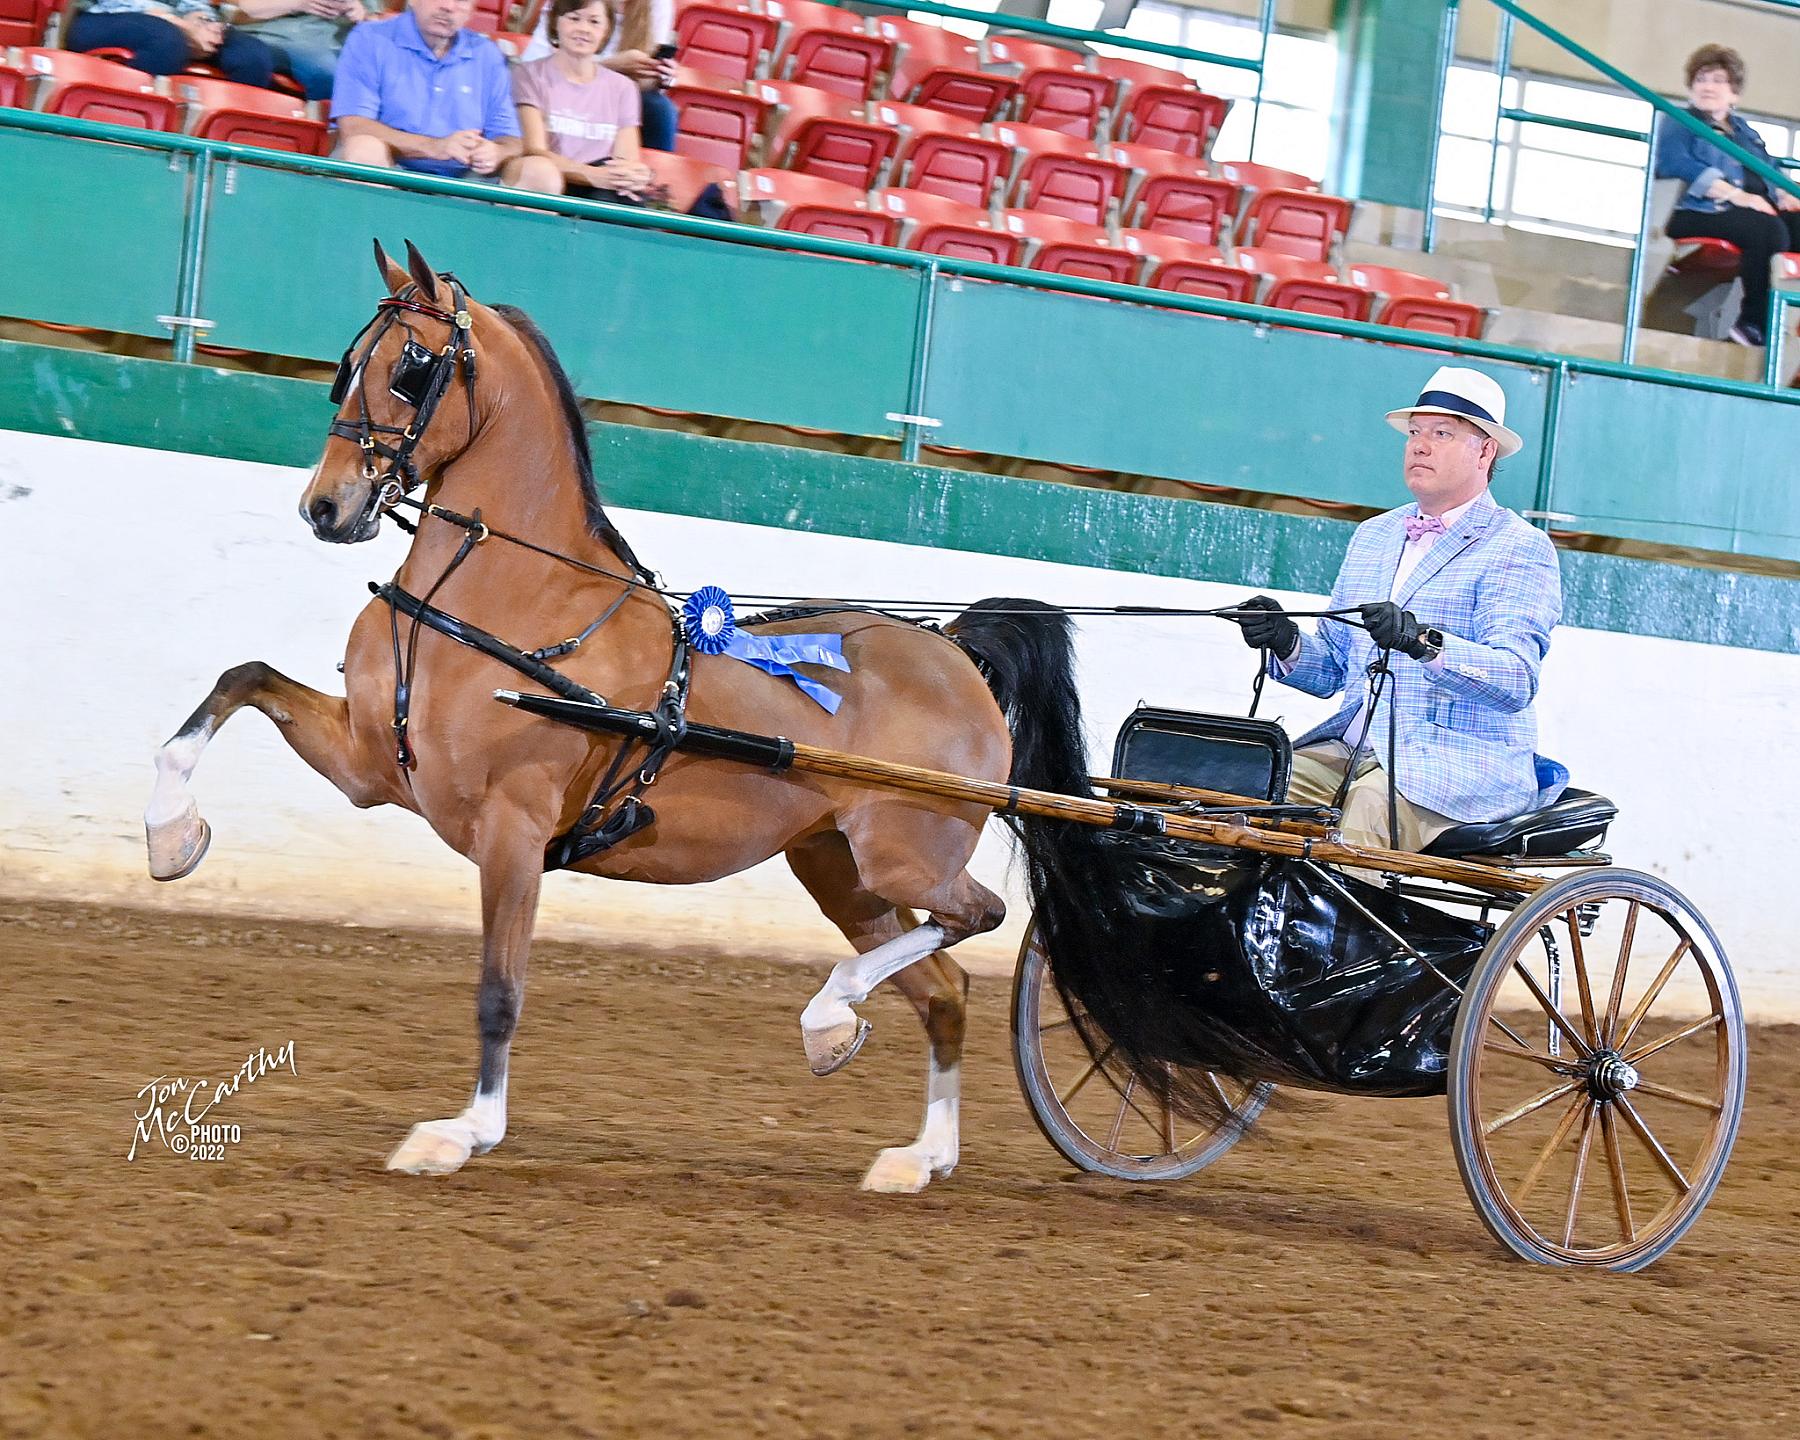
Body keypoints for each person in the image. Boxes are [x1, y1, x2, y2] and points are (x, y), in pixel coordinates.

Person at [1229, 365, 1565, 855]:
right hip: (1350, 748)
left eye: (1442, 434)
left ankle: (1343, 934)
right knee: (1240, 789)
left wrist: (1422, 644)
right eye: (1414, 433)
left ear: (1485, 450)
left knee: (1366, 809)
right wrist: (1285, 641)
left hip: (1452, 764)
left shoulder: (1518, 547)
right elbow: (1333, 671)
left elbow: (1515, 680)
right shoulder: (1374, 536)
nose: (1419, 446)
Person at [1654, 43, 1800, 348]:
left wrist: (1785, 194)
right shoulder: (1679, 120)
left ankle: (1790, 323)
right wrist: (1736, 195)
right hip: (1696, 212)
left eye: (1718, 80)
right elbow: (1673, 161)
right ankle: (1754, 323)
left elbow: (1767, 169)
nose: (1707, 86)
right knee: (1767, 229)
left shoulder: (1744, 132)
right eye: (1701, 79)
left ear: (1734, 93)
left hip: (1745, 213)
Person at [331, 0, 523, 181]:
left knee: (537, 170)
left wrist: (497, 152)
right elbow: (354, 127)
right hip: (390, 168)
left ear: (472, 10)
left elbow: (511, 140)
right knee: (363, 148)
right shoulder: (369, 38)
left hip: (465, 180)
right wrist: (435, 147)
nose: (448, 6)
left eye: (462, 0)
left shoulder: (487, 54)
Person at [503, 0, 652, 199]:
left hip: (601, 189)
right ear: (555, 22)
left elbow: (626, 160)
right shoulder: (530, 75)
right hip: (549, 183)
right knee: (538, 172)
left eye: (594, 22)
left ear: (607, 31)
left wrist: (632, 175)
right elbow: (535, 150)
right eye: (574, 19)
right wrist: (593, 175)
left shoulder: (623, 87)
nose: (583, 29)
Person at [522, 0, 678, 151]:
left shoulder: (658, 4)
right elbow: (531, 69)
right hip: (559, 88)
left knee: (658, 108)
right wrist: (609, 66)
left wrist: (658, 74)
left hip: (619, 96)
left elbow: (643, 81)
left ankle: (651, 174)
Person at [67, 0, 278, 90]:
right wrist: (181, 25)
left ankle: (222, 148)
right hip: (105, 14)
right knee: (168, 42)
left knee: (253, 56)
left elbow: (195, 4)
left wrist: (202, 23)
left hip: (176, 21)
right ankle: (125, 124)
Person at [234, 0, 381, 105]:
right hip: (273, 35)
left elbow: (374, 24)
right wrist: (299, 3)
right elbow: (245, 9)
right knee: (329, 72)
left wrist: (360, 13)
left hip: (334, 42)